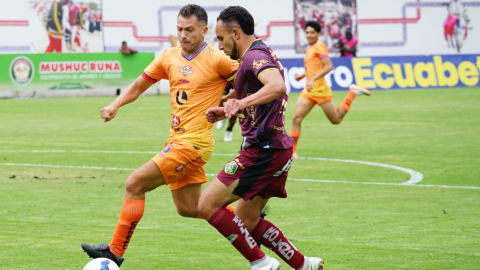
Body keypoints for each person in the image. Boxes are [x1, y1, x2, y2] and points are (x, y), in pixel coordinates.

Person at [81, 4, 239, 267]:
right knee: (190, 208)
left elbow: (251, 82)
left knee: (135, 184)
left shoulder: (217, 58)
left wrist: (228, 107)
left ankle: (114, 252)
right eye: (179, 29)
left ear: (204, 30)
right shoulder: (169, 56)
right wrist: (114, 105)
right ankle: (247, 219)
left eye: (189, 30)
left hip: (194, 143)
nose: (183, 34)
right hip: (176, 140)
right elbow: (139, 85)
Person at [200, 6, 324, 270]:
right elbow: (262, 99)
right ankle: (304, 265)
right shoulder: (262, 51)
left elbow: (278, 86)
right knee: (247, 220)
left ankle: (261, 263)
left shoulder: (253, 56)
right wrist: (228, 109)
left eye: (221, 38)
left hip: (262, 152)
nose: (219, 45)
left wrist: (240, 101)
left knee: (207, 204)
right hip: (278, 150)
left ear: (235, 33)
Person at [289, 21, 370, 159]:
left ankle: (352, 93)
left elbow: (329, 66)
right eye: (307, 32)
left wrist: (314, 79)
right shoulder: (310, 48)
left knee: (336, 119)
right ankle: (291, 152)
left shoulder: (320, 47)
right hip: (308, 91)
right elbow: (315, 67)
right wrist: (303, 75)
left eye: (312, 32)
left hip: (320, 90)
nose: (309, 35)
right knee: (296, 118)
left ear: (318, 34)